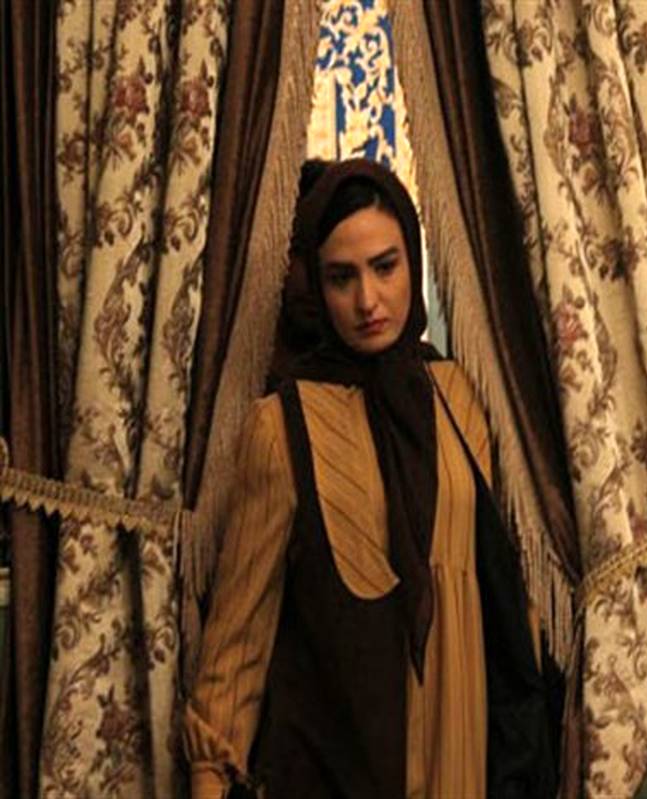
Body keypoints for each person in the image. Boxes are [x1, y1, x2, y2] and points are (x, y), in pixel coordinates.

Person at [184, 158, 553, 798]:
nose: (367, 301)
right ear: (314, 284)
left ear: (413, 260)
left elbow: (496, 598)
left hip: (461, 758)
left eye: (386, 266)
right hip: (340, 769)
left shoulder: (459, 399)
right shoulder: (282, 428)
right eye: (341, 277)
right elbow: (237, 644)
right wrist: (209, 773)